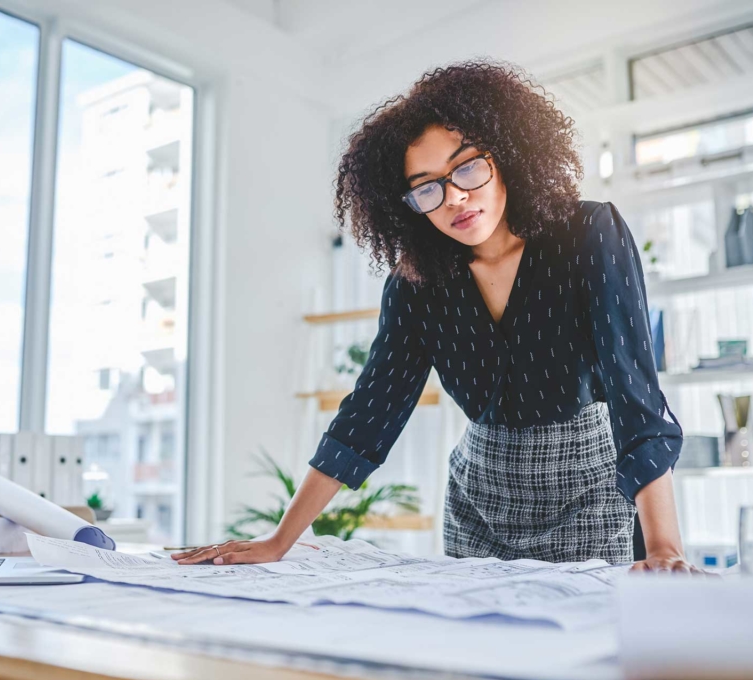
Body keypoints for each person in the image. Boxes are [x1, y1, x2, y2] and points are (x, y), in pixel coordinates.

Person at [175, 60, 699, 573]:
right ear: (407, 204)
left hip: (590, 494)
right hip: (479, 504)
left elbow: (636, 397)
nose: (456, 197)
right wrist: (279, 540)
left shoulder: (589, 234)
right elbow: (371, 413)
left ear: (510, 154)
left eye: (468, 166)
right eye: (428, 187)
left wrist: (665, 549)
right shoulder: (415, 285)